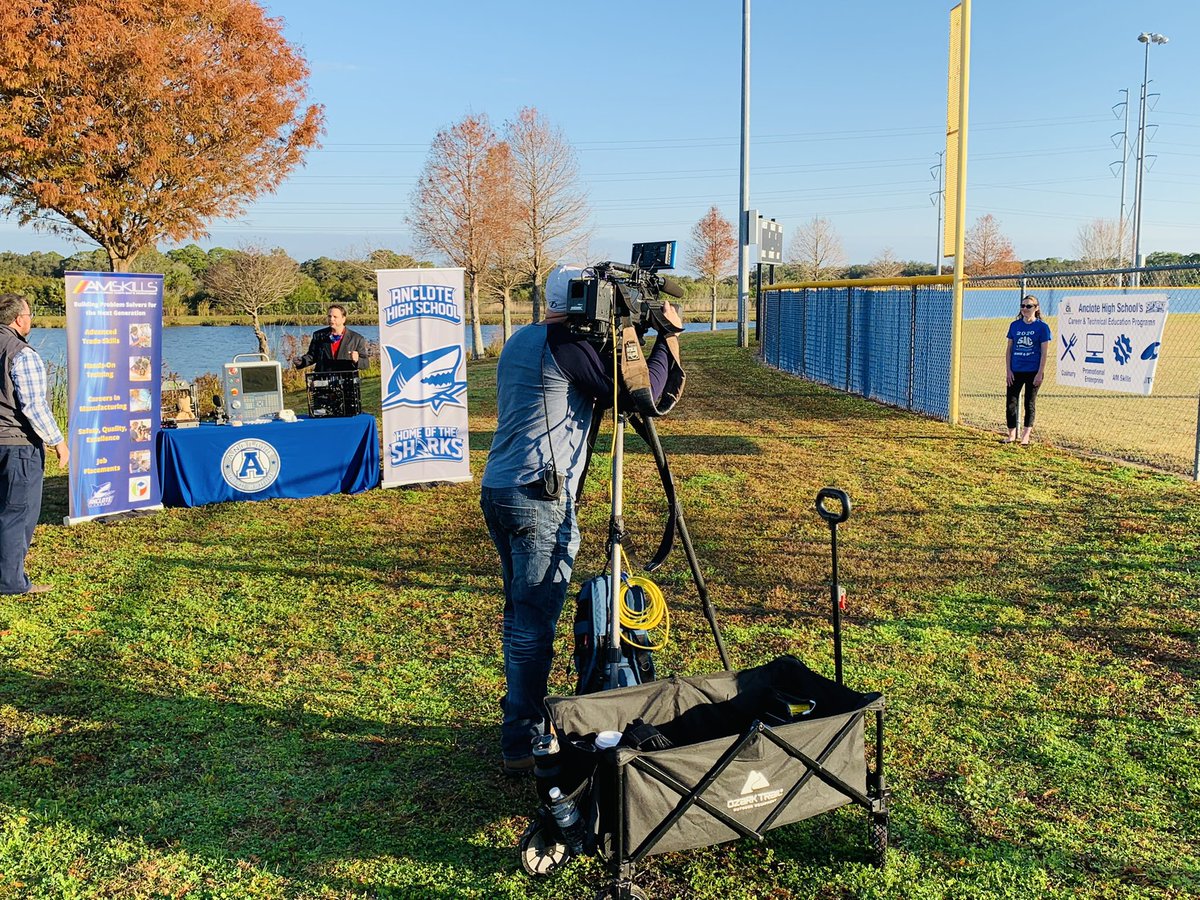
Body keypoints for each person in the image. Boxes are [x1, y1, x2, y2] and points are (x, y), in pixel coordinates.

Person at [480, 264, 682, 775]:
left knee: (520, 619)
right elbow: (644, 395)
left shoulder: (522, 338)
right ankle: (523, 745)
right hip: (538, 497)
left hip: (501, 489)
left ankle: (520, 732)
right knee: (532, 628)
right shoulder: (568, 344)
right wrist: (668, 338)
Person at [0, 293, 69, 595]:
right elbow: (34, 406)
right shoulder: (21, 353)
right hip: (18, 446)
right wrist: (58, 442)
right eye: (28, 314)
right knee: (18, 513)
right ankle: (11, 582)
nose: (31, 319)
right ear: (18, 319)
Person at [1004, 294, 1053, 446]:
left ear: (1036, 308)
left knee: (1029, 403)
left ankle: (1025, 437)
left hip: (1033, 371)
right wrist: (1009, 371)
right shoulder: (1015, 325)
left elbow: (1044, 352)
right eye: (1023, 306)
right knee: (1011, 402)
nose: (1025, 309)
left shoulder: (1042, 327)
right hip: (1016, 370)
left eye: (1029, 306)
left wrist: (1040, 372)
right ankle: (1011, 435)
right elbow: (1009, 350)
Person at [293, 303, 371, 373]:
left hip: (346, 382)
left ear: (343, 319)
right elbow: (312, 356)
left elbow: (365, 364)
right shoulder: (318, 335)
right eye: (329, 316)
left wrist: (357, 360)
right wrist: (301, 361)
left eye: (335, 317)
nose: (331, 319)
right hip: (323, 381)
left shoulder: (356, 338)